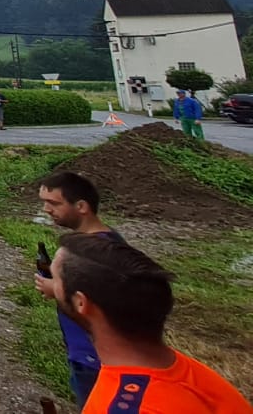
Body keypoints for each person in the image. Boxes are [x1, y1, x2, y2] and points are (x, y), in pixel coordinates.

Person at [50, 232, 251, 413]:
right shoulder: (186, 374)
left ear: (81, 302)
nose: (51, 283)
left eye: (55, 278)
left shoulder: (124, 407)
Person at [32, 172, 122, 408]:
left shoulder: (98, 250)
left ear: (81, 206)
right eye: (44, 202)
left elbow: (101, 298)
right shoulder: (99, 242)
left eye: (53, 203)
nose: (46, 209)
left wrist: (55, 288)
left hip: (94, 357)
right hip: (85, 352)